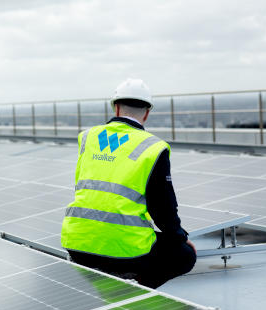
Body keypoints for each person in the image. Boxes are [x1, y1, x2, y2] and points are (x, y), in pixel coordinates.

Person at [61, 78, 196, 289]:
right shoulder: (154, 147)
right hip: (126, 254)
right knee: (185, 256)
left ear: (116, 107)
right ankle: (136, 284)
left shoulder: (87, 137)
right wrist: (181, 238)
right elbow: (163, 208)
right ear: (147, 112)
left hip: (77, 244)